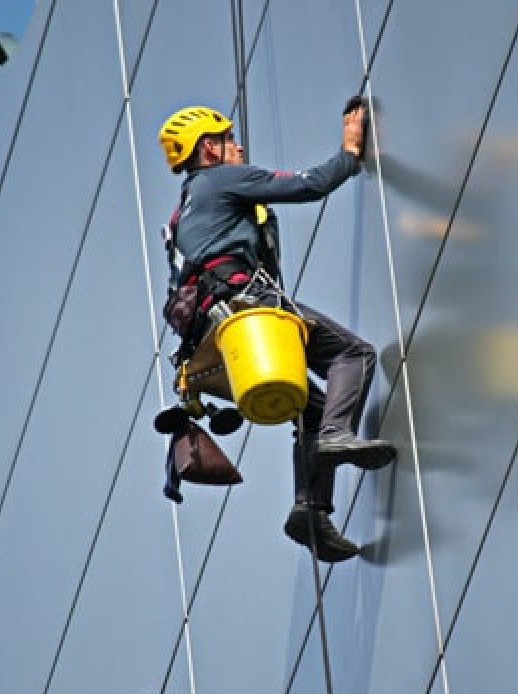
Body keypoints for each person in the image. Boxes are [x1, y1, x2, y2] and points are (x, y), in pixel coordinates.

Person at [157, 100, 396, 562]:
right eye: (229, 138)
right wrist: (350, 152)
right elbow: (309, 185)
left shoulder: (184, 210)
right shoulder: (219, 179)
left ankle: (310, 510)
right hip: (245, 312)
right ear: (209, 148)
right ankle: (335, 436)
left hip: (210, 348)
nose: (239, 145)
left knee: (313, 406)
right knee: (354, 355)